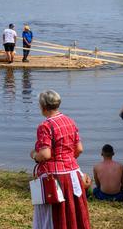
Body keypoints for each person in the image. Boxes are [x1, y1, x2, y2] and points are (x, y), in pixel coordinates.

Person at [30, 90, 90, 229]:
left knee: (53, 215)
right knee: (74, 211)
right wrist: (67, 159)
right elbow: (79, 148)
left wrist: (34, 155)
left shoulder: (45, 126)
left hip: (55, 178)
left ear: (43, 106)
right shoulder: (70, 121)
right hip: (73, 173)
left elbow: (45, 155)